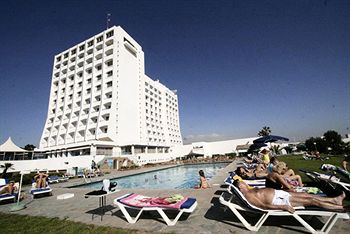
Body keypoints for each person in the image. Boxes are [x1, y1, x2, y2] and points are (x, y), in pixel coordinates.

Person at [233, 180, 346, 213]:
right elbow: (263, 206)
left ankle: (334, 200)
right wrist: (283, 207)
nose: (245, 183)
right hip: (279, 200)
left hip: (280, 194)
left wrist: (285, 190)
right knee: (312, 201)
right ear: (240, 187)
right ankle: (341, 208)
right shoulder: (247, 194)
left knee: (306, 195)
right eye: (242, 183)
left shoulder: (250, 189)